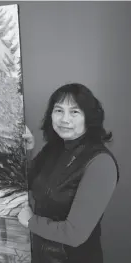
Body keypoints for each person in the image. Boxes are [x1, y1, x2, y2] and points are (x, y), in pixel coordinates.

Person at [18, 83, 119, 263]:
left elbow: (74, 234)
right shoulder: (54, 148)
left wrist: (31, 222)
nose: (64, 119)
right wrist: (28, 151)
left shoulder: (101, 163)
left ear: (89, 117)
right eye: (58, 110)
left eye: (74, 112)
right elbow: (30, 182)